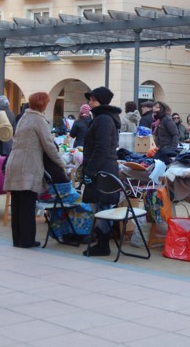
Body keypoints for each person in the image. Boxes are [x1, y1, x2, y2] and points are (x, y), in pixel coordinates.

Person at [4, 92, 66, 249]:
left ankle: (17, 239)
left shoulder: (23, 118)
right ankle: (27, 240)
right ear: (43, 104)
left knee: (17, 203)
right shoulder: (39, 120)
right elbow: (49, 145)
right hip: (27, 165)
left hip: (14, 163)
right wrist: (61, 162)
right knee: (27, 204)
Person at [81, 86, 121, 257]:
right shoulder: (104, 118)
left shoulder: (103, 119)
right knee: (101, 204)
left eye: (92, 100)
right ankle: (101, 241)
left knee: (102, 205)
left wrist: (90, 170)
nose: (89, 103)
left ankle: (103, 245)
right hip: (103, 167)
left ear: (100, 101)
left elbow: (101, 147)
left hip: (102, 169)